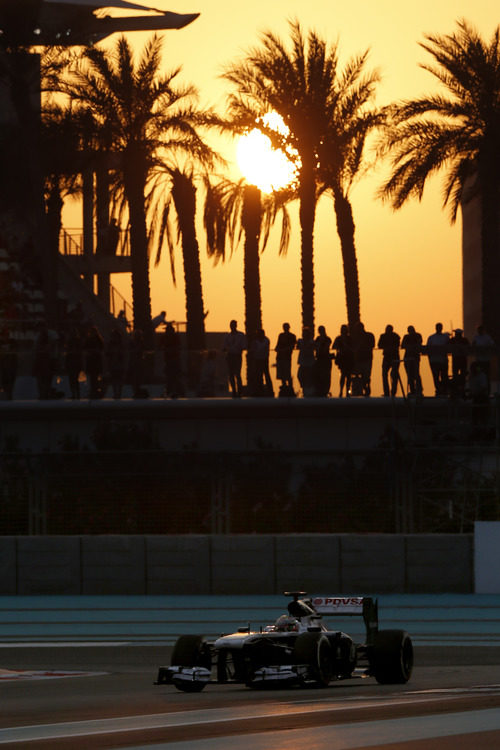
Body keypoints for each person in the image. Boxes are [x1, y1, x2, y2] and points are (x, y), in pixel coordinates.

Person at [222, 320, 246, 397]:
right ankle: (234, 391)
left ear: (236, 326)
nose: (232, 326)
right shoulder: (227, 336)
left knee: (237, 374)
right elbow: (224, 347)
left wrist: (238, 349)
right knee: (231, 374)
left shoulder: (241, 335)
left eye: (233, 325)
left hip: (237, 356)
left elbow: (244, 346)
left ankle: (239, 390)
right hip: (230, 356)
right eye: (231, 325)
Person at [352, 322, 375, 397]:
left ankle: (366, 389)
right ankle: (361, 390)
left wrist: (361, 348)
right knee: (359, 375)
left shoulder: (369, 336)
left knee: (366, 376)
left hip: (366, 359)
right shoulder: (355, 337)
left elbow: (372, 345)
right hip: (359, 359)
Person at [426, 322, 449, 396]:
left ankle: (444, 390)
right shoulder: (431, 337)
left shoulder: (445, 337)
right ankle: (438, 390)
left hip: (443, 361)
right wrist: (430, 360)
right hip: (434, 361)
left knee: (444, 376)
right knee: (435, 377)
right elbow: (427, 349)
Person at [472, 325, 496, 394]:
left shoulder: (487, 337)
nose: (479, 331)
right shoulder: (476, 337)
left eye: (480, 330)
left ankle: (488, 392)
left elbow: (492, 345)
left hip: (486, 361)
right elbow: (473, 345)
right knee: (479, 374)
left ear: (483, 330)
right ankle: (479, 391)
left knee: (486, 375)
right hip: (479, 361)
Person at [378, 324, 401, 397]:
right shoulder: (387, 336)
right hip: (389, 357)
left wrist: (387, 347)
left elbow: (397, 345)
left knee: (392, 374)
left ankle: (391, 392)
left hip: (392, 357)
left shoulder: (394, 336)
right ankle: (389, 392)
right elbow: (379, 345)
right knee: (388, 374)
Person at [332, 324, 354, 398]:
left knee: (348, 376)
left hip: (348, 358)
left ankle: (347, 391)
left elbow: (353, 348)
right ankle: (341, 390)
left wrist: (346, 347)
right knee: (343, 374)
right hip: (342, 359)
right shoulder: (339, 338)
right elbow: (333, 346)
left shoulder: (349, 338)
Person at [275, 322, 296, 396]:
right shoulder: (281, 335)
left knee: (287, 373)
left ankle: (290, 387)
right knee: (281, 373)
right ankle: (284, 386)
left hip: (287, 357)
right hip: (280, 357)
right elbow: (277, 345)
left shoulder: (292, 336)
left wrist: (284, 350)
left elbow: (292, 346)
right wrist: (278, 349)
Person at [251, 328, 274, 396]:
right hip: (258, 360)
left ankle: (269, 390)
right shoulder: (256, 341)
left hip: (264, 360)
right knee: (259, 376)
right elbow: (254, 350)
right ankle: (259, 390)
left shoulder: (266, 340)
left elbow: (256, 350)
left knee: (266, 375)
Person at [401, 325, 423, 396]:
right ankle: (413, 390)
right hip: (408, 358)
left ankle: (419, 389)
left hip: (415, 358)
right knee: (410, 375)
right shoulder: (406, 337)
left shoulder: (418, 335)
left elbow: (419, 344)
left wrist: (410, 346)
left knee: (416, 374)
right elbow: (402, 345)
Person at [84, 326, 105, 399]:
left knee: (94, 378)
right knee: (92, 378)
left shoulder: (98, 340)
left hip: (95, 362)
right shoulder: (90, 340)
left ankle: (95, 392)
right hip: (92, 362)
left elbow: (100, 350)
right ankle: (93, 392)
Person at [449, 328, 470, 399]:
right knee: (456, 376)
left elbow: (468, 348)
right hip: (457, 361)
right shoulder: (454, 340)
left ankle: (461, 391)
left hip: (461, 361)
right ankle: (456, 390)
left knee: (462, 376)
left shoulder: (463, 340)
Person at [163, 322, 182, 398]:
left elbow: (178, 347)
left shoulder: (174, 337)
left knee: (173, 377)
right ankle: (171, 391)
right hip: (169, 361)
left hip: (173, 361)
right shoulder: (165, 337)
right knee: (170, 377)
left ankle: (173, 391)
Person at [107, 328, 126, 399]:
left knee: (119, 380)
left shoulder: (121, 344)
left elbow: (123, 355)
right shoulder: (110, 344)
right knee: (114, 380)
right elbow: (108, 354)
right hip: (113, 364)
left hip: (119, 364)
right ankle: (115, 393)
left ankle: (119, 393)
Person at [64, 327, 83, 400]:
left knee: (74, 379)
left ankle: (76, 394)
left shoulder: (77, 341)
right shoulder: (70, 341)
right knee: (72, 379)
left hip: (75, 362)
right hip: (71, 362)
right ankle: (75, 394)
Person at [314, 324, 332, 397]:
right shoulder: (317, 339)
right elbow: (316, 348)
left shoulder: (327, 339)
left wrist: (320, 347)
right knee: (320, 376)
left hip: (326, 360)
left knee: (326, 376)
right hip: (319, 360)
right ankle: (321, 390)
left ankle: (326, 390)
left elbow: (324, 349)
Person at [296, 326, 315, 396]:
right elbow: (298, 346)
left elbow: (311, 347)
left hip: (310, 362)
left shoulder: (311, 341)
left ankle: (309, 391)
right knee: (300, 375)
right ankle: (304, 388)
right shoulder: (300, 341)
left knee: (309, 377)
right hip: (303, 362)